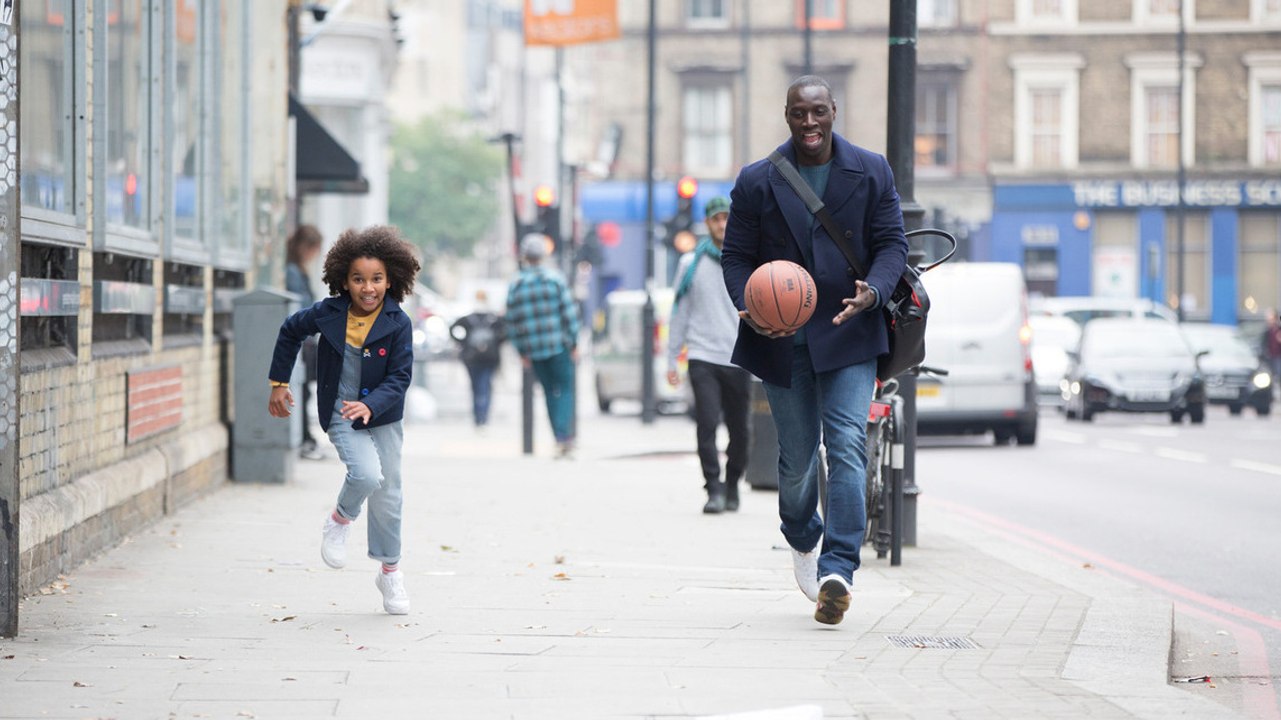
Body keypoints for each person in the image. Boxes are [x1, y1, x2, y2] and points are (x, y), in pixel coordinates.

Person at [721, 76, 908, 626]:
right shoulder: (757, 180)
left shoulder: (871, 170)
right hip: (780, 340)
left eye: (819, 112)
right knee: (798, 459)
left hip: (849, 331)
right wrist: (749, 307)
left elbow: (893, 242)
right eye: (799, 113)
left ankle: (839, 568)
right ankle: (803, 536)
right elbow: (735, 257)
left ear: (834, 112)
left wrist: (873, 289)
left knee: (847, 444)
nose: (810, 123)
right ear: (786, 115)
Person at [267, 225, 422, 615]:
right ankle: (339, 520)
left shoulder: (398, 323)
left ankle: (390, 572)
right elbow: (290, 331)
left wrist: (372, 406)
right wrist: (278, 383)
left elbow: (400, 377)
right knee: (367, 475)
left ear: (391, 280)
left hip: (383, 416)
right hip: (340, 410)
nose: (367, 288)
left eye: (376, 279)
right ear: (344, 280)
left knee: (389, 494)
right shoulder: (329, 313)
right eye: (358, 279)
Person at [667, 196, 752, 515]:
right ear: (707, 223)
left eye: (727, 218)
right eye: (716, 219)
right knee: (706, 424)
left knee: (740, 430)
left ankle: (732, 484)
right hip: (702, 354)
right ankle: (713, 489)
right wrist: (671, 357)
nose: (722, 224)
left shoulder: (746, 259)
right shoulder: (692, 263)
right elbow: (680, 311)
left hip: (739, 355)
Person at [505, 234, 581, 459]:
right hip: (558, 346)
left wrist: (521, 351)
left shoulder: (516, 284)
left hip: (534, 350)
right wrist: (573, 342)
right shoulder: (555, 280)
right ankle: (564, 436)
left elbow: (512, 321)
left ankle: (558, 437)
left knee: (549, 392)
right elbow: (569, 313)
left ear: (525, 257)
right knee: (565, 389)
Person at [285, 225, 326, 460]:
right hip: (303, 340)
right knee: (301, 391)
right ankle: (303, 438)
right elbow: (300, 308)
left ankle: (305, 437)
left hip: (307, 339)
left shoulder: (297, 270)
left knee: (305, 391)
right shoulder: (293, 272)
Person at [450, 290, 507, 429]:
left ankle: (477, 417)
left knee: (475, 387)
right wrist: (495, 344)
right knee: (486, 386)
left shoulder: (468, 319)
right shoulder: (493, 318)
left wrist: (463, 342)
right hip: (490, 358)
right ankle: (483, 418)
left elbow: (452, 328)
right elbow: (506, 332)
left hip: (471, 357)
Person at [1265, 309, 1281, 395]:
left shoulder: (1279, 330)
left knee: (1278, 374)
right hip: (1270, 357)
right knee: (1269, 376)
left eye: (1270, 318)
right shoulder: (1267, 331)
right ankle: (1271, 393)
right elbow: (1264, 343)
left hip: (1278, 356)